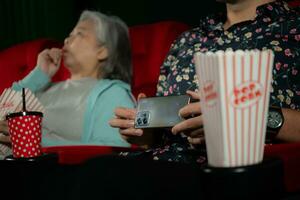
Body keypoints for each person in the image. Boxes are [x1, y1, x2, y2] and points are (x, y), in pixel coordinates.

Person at [110, 0, 300, 164]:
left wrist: (248, 114)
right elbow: (163, 136)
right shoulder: (187, 41)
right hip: (165, 164)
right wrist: (146, 133)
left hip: (238, 171)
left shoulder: (293, 30)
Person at [0, 10, 134, 148]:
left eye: (79, 34)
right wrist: (39, 74)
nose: (66, 40)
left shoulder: (111, 93)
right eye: (70, 35)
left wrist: (33, 142)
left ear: (102, 51)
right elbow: (2, 112)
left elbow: (113, 151)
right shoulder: (43, 86)